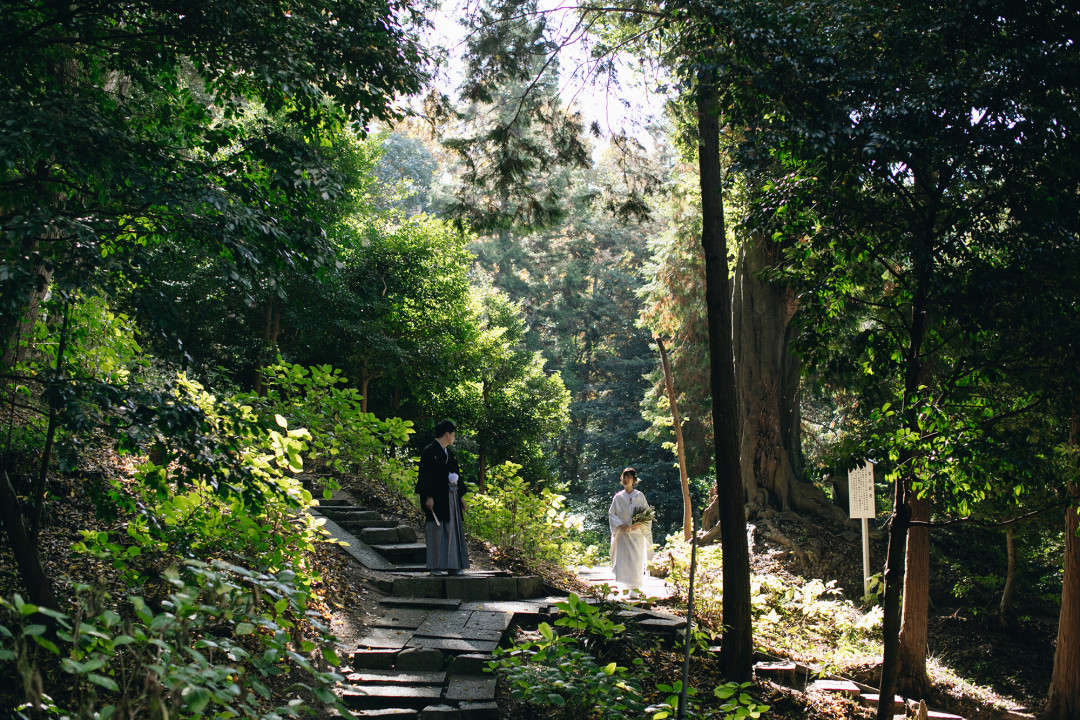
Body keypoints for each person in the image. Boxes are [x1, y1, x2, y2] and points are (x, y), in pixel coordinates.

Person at [414, 419, 470, 575]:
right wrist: (429, 497)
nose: (454, 437)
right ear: (447, 434)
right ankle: (435, 566)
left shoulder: (448, 453)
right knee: (437, 531)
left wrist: (460, 497)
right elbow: (426, 477)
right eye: (453, 434)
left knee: (452, 530)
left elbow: (456, 476)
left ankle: (453, 565)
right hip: (437, 497)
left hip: (450, 497)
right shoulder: (429, 452)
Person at [608, 467, 653, 590]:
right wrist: (621, 525)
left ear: (634, 480)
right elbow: (612, 514)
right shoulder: (618, 497)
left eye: (629, 477)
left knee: (635, 561)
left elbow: (647, 514)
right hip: (622, 534)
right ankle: (624, 587)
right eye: (625, 477)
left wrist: (639, 524)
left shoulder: (639, 496)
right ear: (621, 479)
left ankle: (635, 588)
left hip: (636, 534)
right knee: (623, 561)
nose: (626, 479)